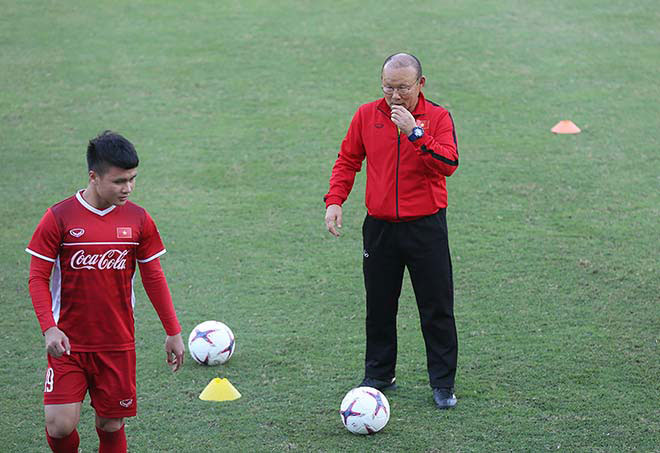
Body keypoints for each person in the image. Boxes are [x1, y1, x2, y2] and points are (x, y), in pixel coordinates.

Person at [26, 131, 185, 452]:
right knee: (59, 425)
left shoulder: (139, 219)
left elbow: (153, 276)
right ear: (93, 176)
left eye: (132, 179)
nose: (127, 188)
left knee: (110, 423)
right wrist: (49, 327)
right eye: (118, 181)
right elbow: (37, 277)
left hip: (117, 343)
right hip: (68, 342)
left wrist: (173, 331)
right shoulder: (59, 217)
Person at [324, 53, 460, 409]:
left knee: (436, 306)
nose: (395, 96)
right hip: (380, 228)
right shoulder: (367, 115)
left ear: (420, 84)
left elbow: (448, 164)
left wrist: (415, 132)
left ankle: (443, 383)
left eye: (402, 88)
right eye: (388, 87)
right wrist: (335, 200)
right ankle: (380, 374)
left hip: (426, 227)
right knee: (380, 304)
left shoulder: (439, 118)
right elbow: (348, 159)